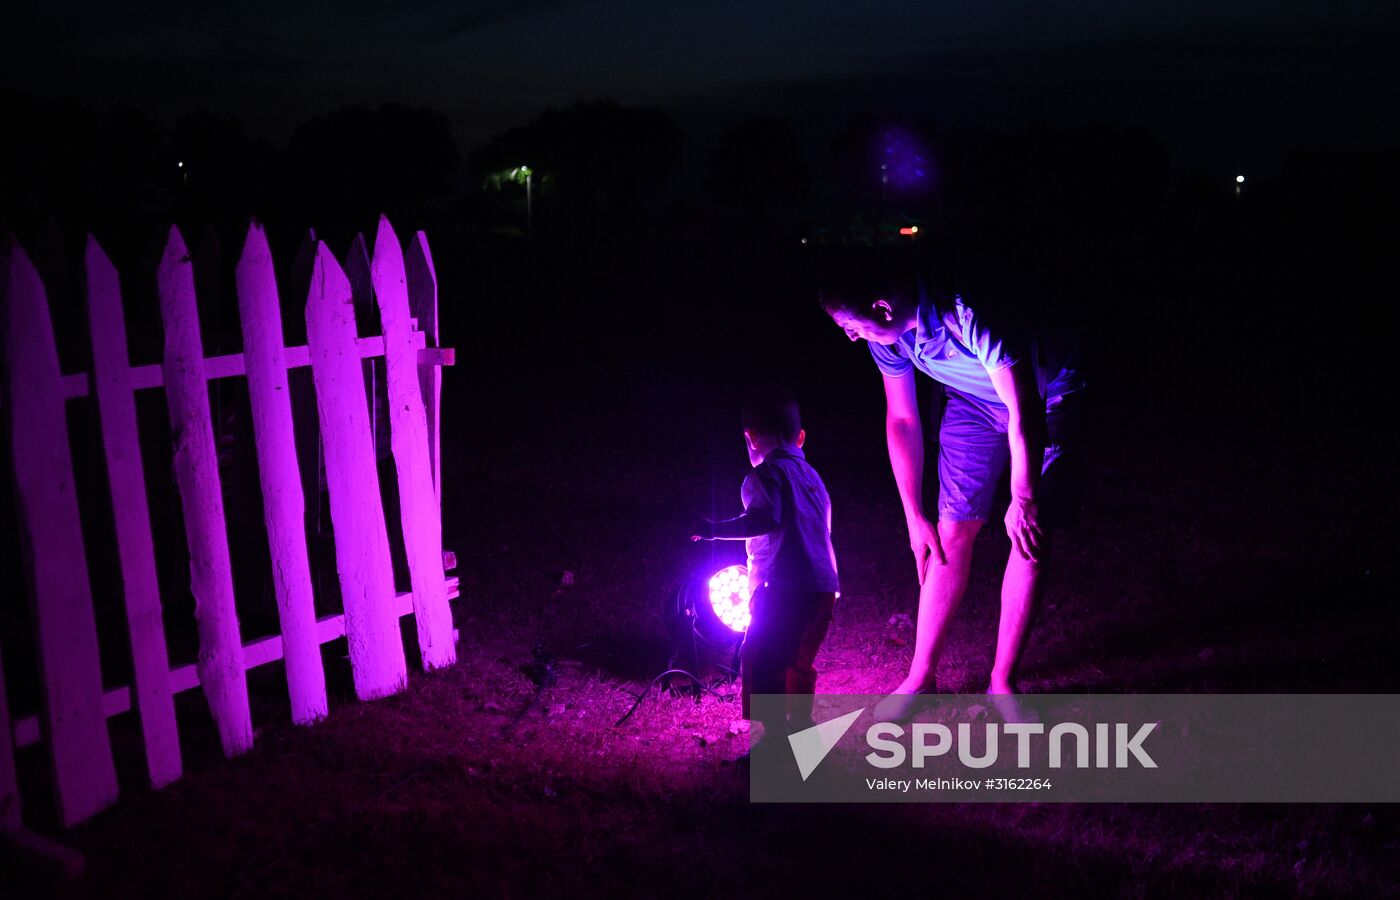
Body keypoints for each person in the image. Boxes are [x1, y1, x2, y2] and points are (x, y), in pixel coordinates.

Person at [819, 249, 1084, 718]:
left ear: (882, 307)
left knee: (1029, 535)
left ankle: (1003, 682)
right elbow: (901, 418)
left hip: (1047, 397)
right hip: (972, 402)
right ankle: (921, 679)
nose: (852, 339)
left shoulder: (969, 310)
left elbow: (1025, 410)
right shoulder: (891, 337)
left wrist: (1023, 497)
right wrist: (912, 516)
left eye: (852, 327)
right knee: (950, 533)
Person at [691, 386, 840, 741]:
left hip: (782, 589)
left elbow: (764, 520)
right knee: (800, 662)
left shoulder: (763, 477)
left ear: (750, 438)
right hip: (823, 589)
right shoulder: (814, 480)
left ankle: (771, 747)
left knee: (764, 661)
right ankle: (800, 731)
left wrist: (713, 531)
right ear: (800, 438)